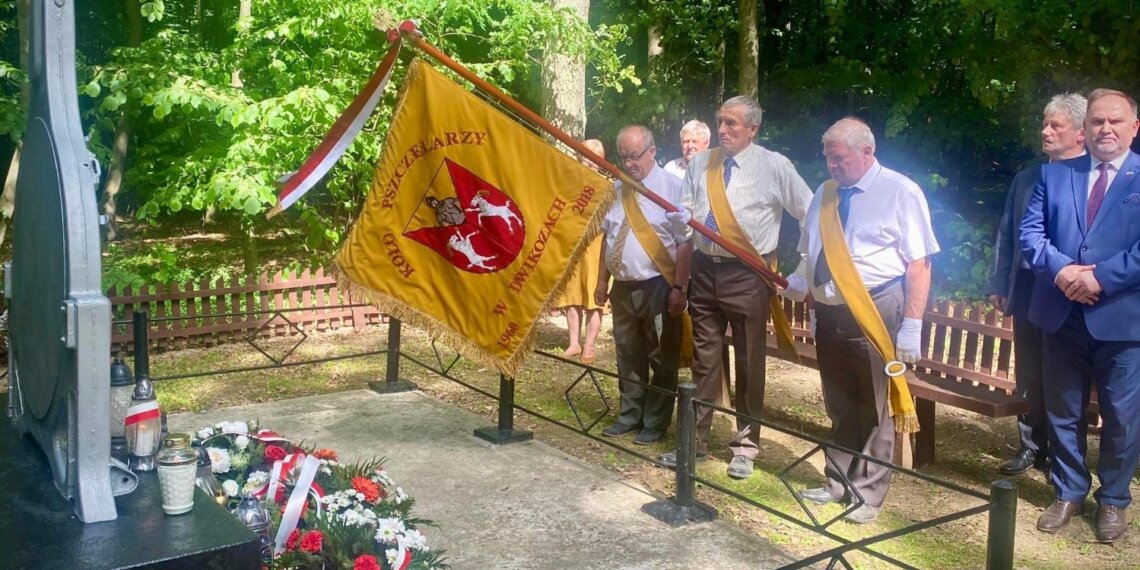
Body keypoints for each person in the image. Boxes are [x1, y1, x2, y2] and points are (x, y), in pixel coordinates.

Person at [787, 118, 939, 524]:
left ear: (867, 151)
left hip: (876, 308)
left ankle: (867, 492)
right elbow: (810, 250)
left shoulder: (900, 192)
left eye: (839, 159)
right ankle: (837, 479)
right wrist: (799, 280)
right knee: (839, 400)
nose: (832, 167)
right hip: (831, 311)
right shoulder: (824, 193)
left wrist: (911, 326)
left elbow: (919, 264)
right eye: (828, 159)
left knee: (875, 404)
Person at [658, 95, 812, 480]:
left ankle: (745, 446)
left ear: (753, 129)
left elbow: (811, 213)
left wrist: (803, 270)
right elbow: (688, 213)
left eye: (732, 124)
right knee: (703, 360)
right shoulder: (702, 163)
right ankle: (694, 443)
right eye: (721, 122)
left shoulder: (774, 167)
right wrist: (682, 219)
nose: (723, 130)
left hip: (749, 274)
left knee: (749, 360)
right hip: (706, 270)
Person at [1019, 88, 1140, 543]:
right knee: (1062, 410)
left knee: (1123, 417)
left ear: (1134, 127)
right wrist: (1064, 270)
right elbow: (1030, 235)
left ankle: (1113, 500)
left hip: (1123, 319)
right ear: (1085, 128)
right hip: (1060, 313)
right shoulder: (1055, 175)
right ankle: (1068, 490)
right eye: (1096, 122)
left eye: (1115, 121)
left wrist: (1101, 278)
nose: (1105, 129)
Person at [985, 94, 1087, 476]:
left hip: (1067, 293)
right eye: (1044, 124)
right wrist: (999, 281)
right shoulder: (1027, 177)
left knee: (1063, 379)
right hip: (1026, 286)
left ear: (1079, 133)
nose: (1045, 131)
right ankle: (1031, 446)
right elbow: (1007, 234)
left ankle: (1064, 460)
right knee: (1028, 371)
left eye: (1055, 125)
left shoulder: (1091, 177)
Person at [593, 125, 690, 444]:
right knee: (628, 353)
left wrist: (679, 288)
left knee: (662, 356)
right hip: (622, 287)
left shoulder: (674, 188)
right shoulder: (617, 187)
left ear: (652, 152)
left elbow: (685, 242)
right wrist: (601, 281)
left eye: (634, 156)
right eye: (623, 156)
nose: (629, 163)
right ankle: (629, 414)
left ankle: (656, 421)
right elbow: (608, 237)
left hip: (659, 285)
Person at [557, 139, 606, 364]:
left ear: (602, 161)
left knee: (595, 297)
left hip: (597, 249)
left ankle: (589, 346)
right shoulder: (569, 183)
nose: (590, 161)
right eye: (586, 155)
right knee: (572, 295)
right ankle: (574, 343)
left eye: (595, 157)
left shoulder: (608, 186)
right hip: (573, 247)